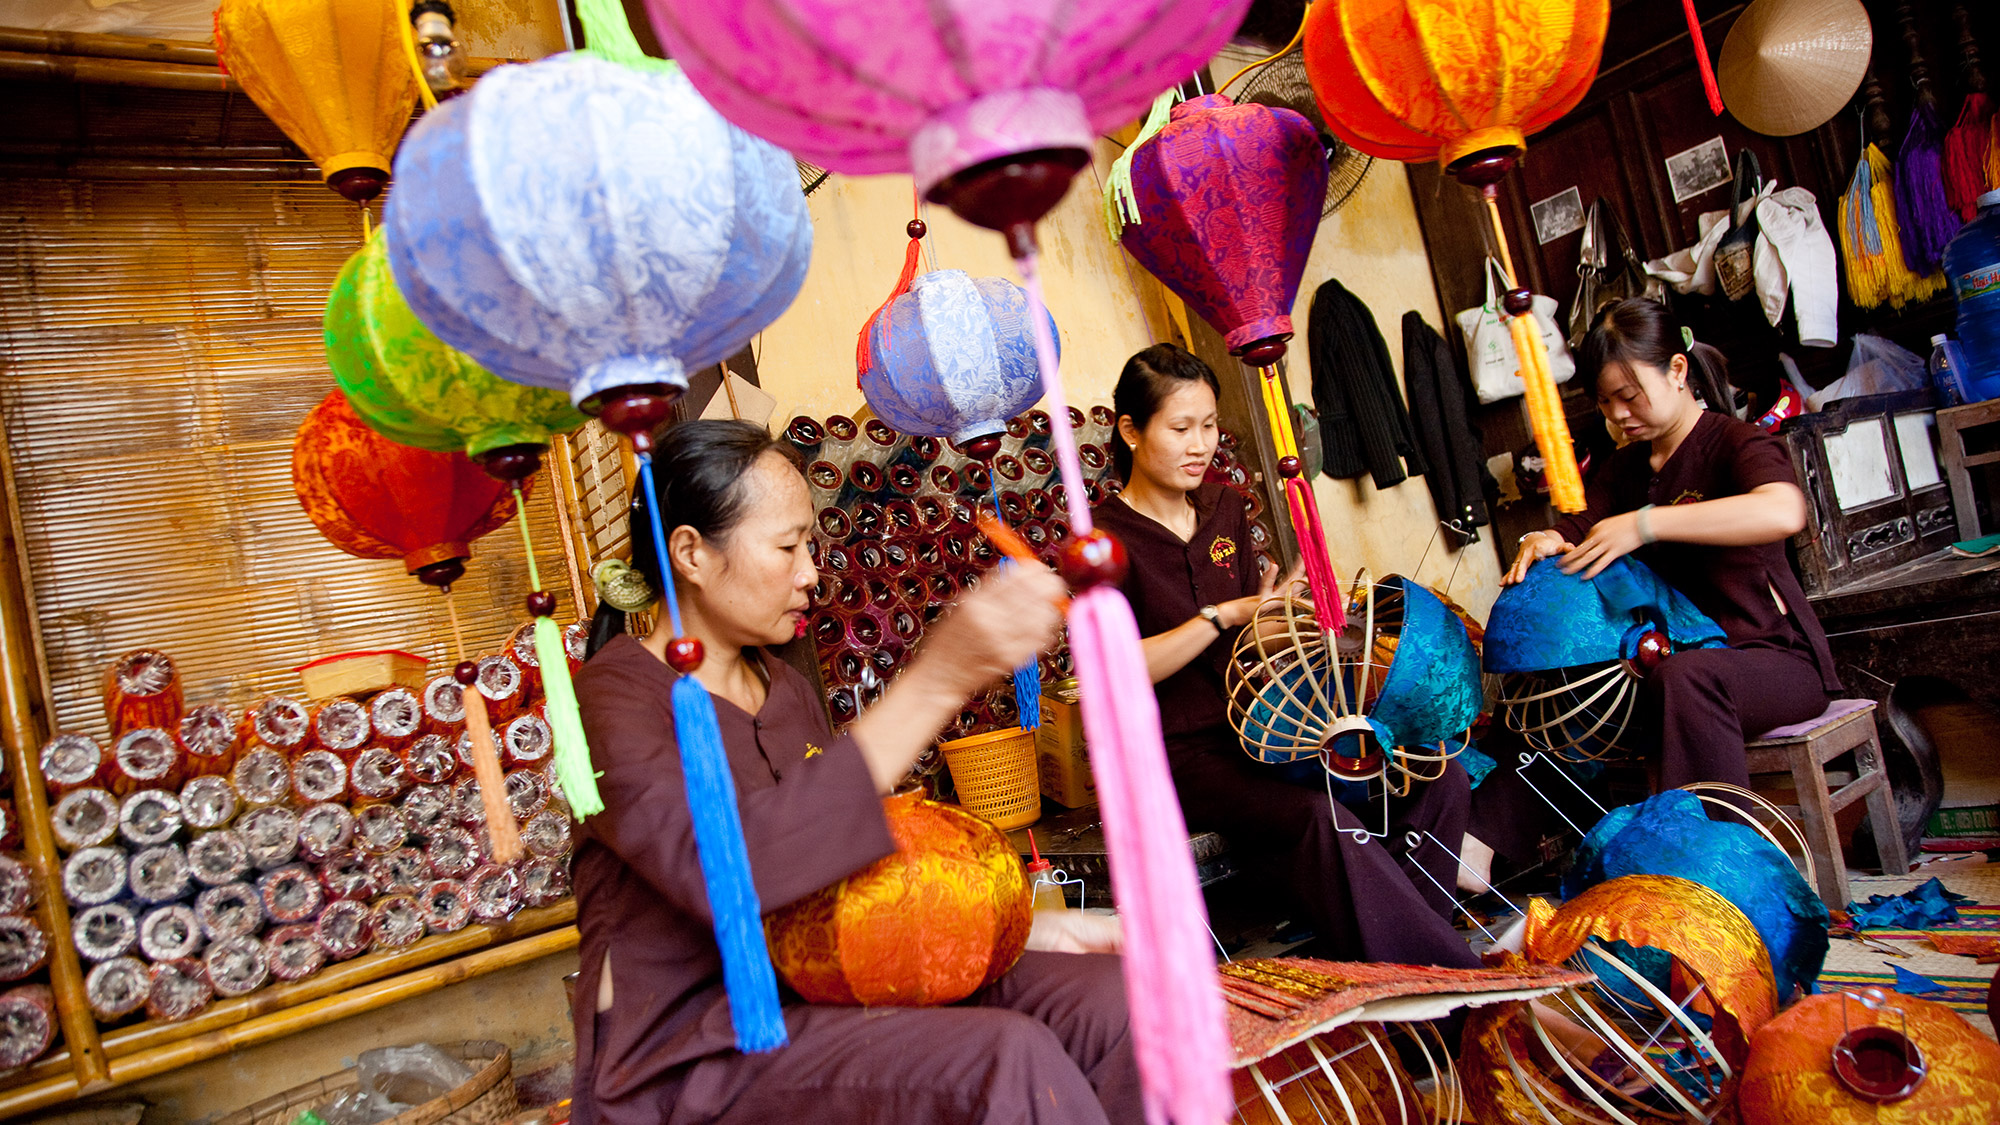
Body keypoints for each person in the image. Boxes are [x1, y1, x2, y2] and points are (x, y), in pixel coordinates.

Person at [570, 420, 1137, 1125]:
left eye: (808, 543)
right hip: (693, 1052)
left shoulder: (785, 689)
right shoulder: (614, 694)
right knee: (1004, 1057)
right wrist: (935, 680)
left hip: (832, 990)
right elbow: (725, 871)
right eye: (786, 546)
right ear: (691, 551)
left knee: (1111, 1003)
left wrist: (1021, 926)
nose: (811, 571)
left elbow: (849, 887)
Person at [1091, 343, 1479, 970]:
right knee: (1324, 820)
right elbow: (1114, 670)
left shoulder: (1224, 511)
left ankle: (1417, 967)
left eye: (1210, 426)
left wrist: (1283, 617)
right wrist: (1225, 614)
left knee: (1437, 779)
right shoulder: (1103, 542)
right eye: (1181, 428)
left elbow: (1261, 635)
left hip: (1277, 731)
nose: (1200, 445)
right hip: (1185, 756)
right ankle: (1444, 979)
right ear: (1131, 431)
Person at [1503, 298, 1839, 793]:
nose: (1618, 414)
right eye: (1604, 401)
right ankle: (1473, 854)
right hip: (1668, 663)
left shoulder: (1736, 443)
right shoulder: (1623, 471)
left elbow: (1781, 510)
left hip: (1771, 658)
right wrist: (1540, 539)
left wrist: (1647, 524)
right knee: (1547, 690)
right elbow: (1575, 531)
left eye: (1630, 395)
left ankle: (1703, 861)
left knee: (1686, 679)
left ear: (1677, 370)